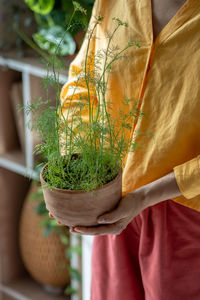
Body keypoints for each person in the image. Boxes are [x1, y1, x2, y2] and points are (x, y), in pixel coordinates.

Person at [54, 0, 200, 298]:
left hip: (188, 216)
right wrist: (80, 171)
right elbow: (83, 84)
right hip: (114, 204)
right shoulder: (113, 3)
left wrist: (146, 195)